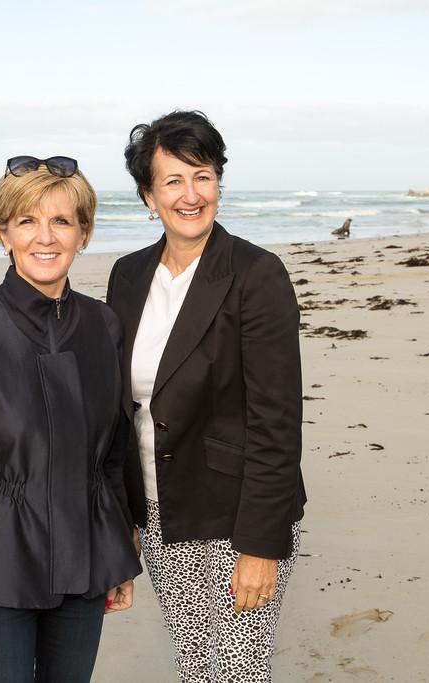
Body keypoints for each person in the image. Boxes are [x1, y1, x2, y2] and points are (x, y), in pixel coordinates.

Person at [0, 156, 141, 682]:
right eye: (27, 221)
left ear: (83, 233)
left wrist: (118, 548)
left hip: (86, 557)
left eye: (62, 221)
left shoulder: (104, 325)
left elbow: (114, 449)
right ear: (4, 233)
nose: (46, 237)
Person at [105, 111, 306, 682]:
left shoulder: (256, 274)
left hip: (235, 514)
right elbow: (123, 409)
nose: (190, 195)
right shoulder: (128, 275)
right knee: (196, 665)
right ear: (149, 195)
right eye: (173, 181)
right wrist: (125, 516)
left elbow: (276, 421)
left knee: (237, 670)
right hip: (161, 509)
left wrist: (260, 546)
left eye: (202, 176)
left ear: (218, 182)